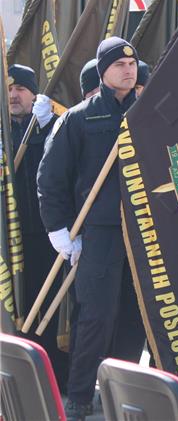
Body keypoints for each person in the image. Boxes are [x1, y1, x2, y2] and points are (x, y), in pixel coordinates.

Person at [37, 37, 146, 421]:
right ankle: (80, 395)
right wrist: (60, 232)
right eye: (119, 65)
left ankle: (120, 393)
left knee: (136, 318)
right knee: (96, 317)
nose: (128, 70)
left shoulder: (148, 113)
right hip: (98, 233)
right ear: (103, 71)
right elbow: (51, 179)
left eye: (132, 65)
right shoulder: (79, 118)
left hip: (142, 233)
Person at [7, 65, 69, 387]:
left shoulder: (49, 125)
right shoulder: (4, 131)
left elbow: (63, 164)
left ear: (34, 93)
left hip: (49, 235)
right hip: (11, 241)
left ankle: (56, 377)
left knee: (51, 308)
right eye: (9, 88)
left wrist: (48, 127)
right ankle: (22, 378)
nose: (14, 95)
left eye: (21, 88)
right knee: (19, 308)